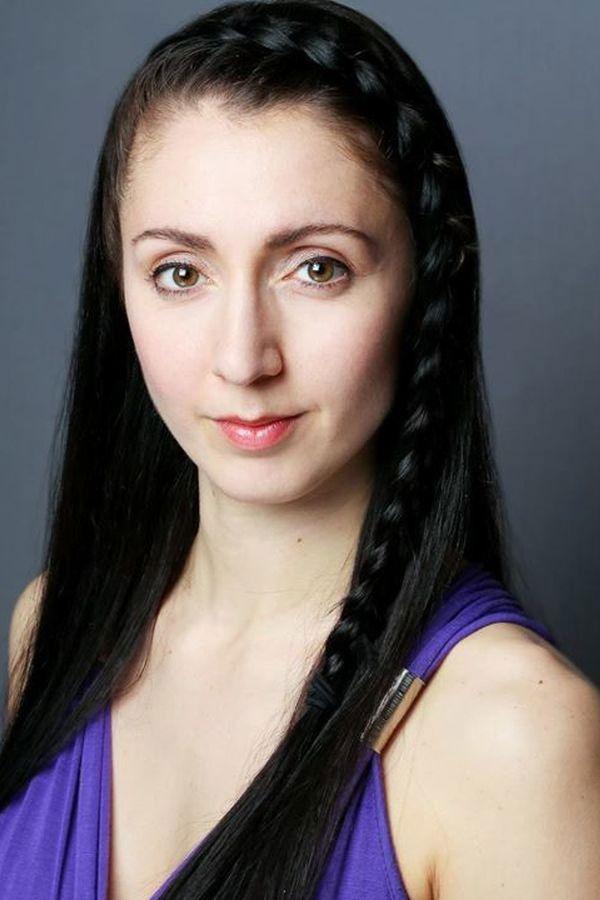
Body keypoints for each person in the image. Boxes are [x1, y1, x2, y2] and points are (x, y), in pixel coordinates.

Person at [1, 1, 599, 898]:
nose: (244, 358)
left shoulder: (511, 734)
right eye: (180, 273)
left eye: (317, 268)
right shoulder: (52, 628)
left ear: (425, 284)